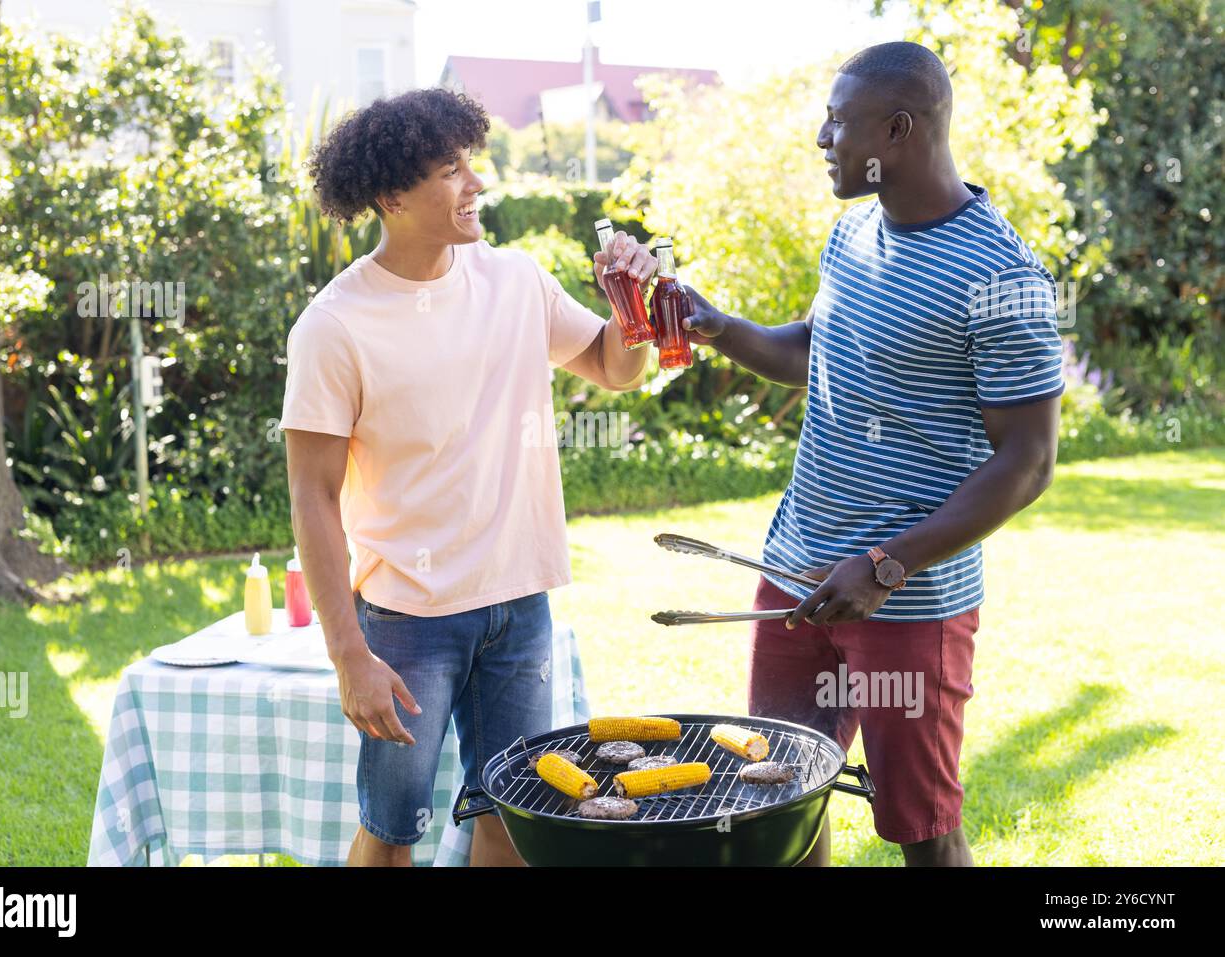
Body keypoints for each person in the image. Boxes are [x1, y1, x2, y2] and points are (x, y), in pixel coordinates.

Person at [683, 41, 1063, 866]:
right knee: (776, 802)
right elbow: (811, 351)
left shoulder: (1003, 275)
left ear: (898, 130)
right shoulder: (853, 232)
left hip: (908, 603)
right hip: (794, 576)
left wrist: (886, 564)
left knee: (922, 830)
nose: (823, 137)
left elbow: (1028, 463)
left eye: (838, 121)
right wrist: (719, 327)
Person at [279, 88, 657, 866]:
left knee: (510, 819)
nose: (475, 184)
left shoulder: (514, 280)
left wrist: (633, 305)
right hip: (408, 619)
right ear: (390, 195)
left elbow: (617, 369)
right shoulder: (335, 325)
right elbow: (312, 497)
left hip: (519, 606)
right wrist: (350, 654)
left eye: (470, 163)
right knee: (392, 831)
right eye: (450, 169)